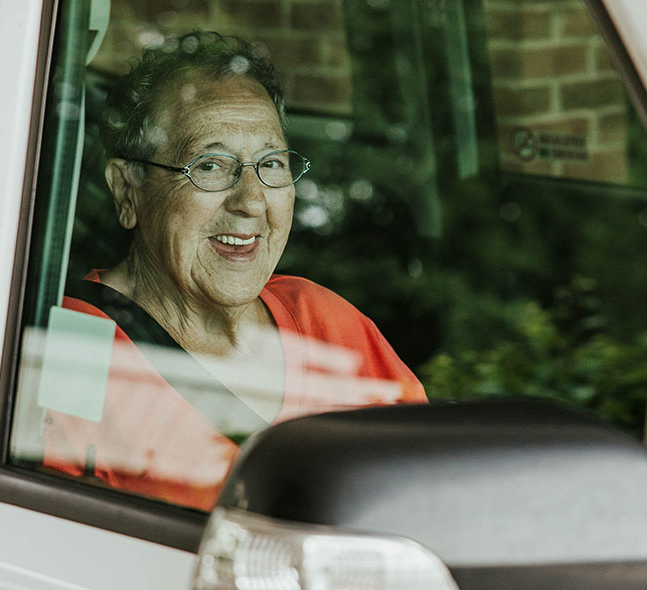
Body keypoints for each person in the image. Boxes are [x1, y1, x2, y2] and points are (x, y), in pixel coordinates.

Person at [42, 31, 426, 511]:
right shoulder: (73, 352)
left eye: (270, 163)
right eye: (209, 165)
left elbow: (428, 491)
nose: (250, 201)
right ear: (128, 190)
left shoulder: (326, 323)